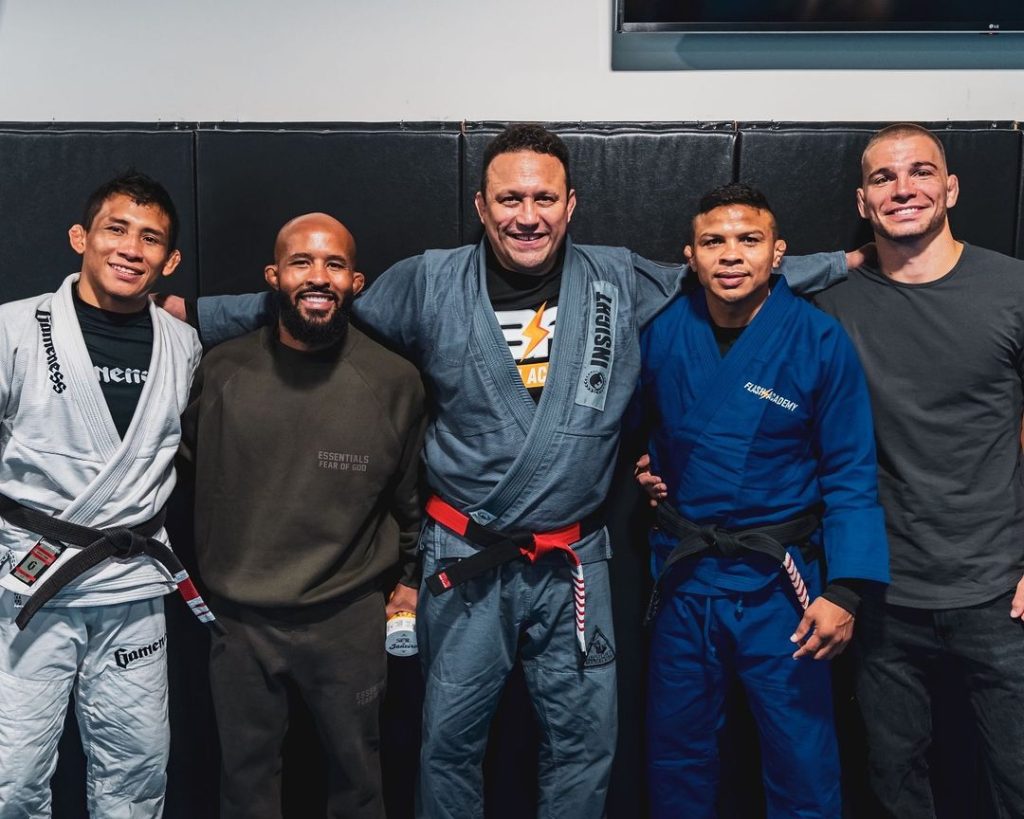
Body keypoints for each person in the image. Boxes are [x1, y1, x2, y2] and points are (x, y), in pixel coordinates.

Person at [172, 124, 855, 819]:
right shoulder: (430, 280)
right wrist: (195, 312)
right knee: (448, 742)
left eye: (544, 198)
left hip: (574, 558)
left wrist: (848, 261)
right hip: (466, 553)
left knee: (585, 743)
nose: (527, 215)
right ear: (481, 205)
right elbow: (323, 297)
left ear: (570, 204)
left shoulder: (617, 276)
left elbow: (728, 272)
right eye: (509, 198)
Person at [634, 183, 889, 818]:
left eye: (749, 240)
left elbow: (851, 469)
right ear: (690, 256)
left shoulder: (818, 340)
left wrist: (845, 591)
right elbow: (634, 431)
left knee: (801, 754)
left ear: (778, 253)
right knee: (676, 754)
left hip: (783, 585)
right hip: (686, 579)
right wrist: (641, 466)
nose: (730, 255)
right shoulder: (662, 333)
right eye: (712, 241)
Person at [179, 212, 426, 819]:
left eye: (334, 264)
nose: (318, 277)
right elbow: (177, 475)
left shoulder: (394, 381)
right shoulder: (220, 369)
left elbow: (412, 500)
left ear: (356, 282)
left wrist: (411, 580)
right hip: (239, 621)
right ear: (274, 277)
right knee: (245, 783)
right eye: (301, 263)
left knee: (359, 781)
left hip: (347, 619)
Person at [813, 123, 1024, 818]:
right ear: (863, 201)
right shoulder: (830, 301)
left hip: (1000, 592)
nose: (903, 188)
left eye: (921, 172)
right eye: (884, 178)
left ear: (951, 188)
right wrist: (668, 459)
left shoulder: (1013, 288)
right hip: (881, 593)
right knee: (894, 784)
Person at [0, 172, 204, 817]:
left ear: (169, 260)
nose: (131, 249)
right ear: (80, 237)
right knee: (11, 776)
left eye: (150, 238)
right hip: (30, 582)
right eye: (116, 229)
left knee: (137, 771)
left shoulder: (182, 343)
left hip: (133, 586)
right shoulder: (13, 329)